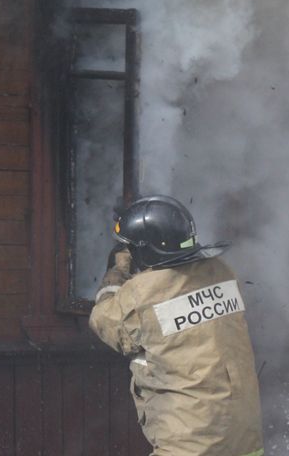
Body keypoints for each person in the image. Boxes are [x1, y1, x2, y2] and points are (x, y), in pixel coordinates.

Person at [89, 194, 264, 456]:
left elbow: (104, 321)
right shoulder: (222, 272)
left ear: (145, 250)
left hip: (190, 445)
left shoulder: (142, 294)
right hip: (244, 441)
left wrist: (119, 269)